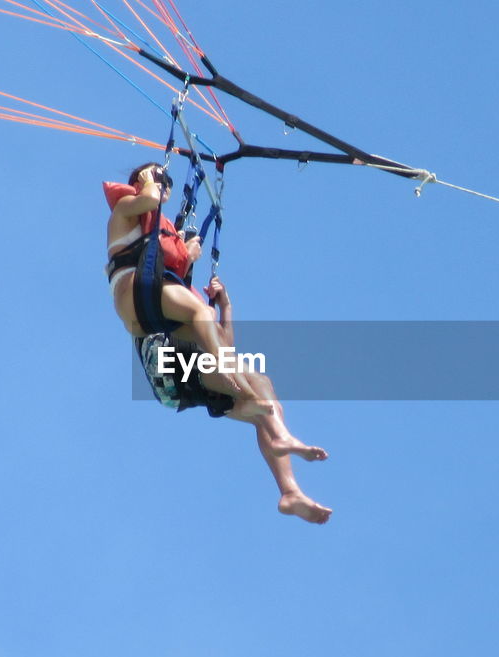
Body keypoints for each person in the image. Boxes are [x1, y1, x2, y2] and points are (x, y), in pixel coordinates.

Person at [106, 162, 333, 524]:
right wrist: (150, 179)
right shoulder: (126, 211)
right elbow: (149, 198)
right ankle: (262, 417)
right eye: (160, 178)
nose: (164, 185)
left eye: (166, 180)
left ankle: (289, 490)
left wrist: (225, 304)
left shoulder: (176, 288)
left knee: (260, 384)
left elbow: (223, 343)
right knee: (205, 323)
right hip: (137, 302)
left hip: (176, 373)